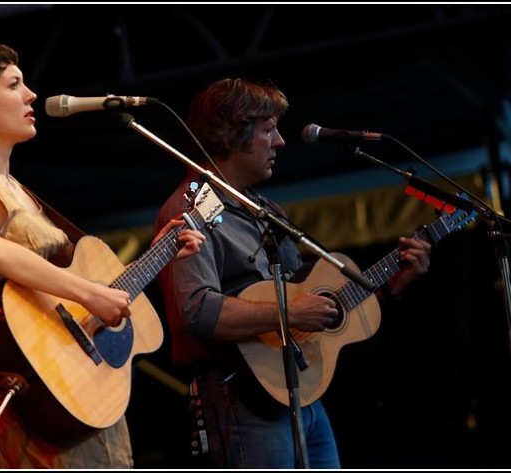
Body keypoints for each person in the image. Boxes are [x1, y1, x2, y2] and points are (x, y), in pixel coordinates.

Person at [0, 39, 206, 469]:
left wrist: (157, 256)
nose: (31, 94)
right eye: (14, 84)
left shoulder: (19, 190)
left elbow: (62, 297)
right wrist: (91, 295)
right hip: (33, 379)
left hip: (77, 379)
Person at [153, 78, 432, 468]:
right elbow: (196, 311)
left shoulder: (266, 210)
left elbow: (307, 293)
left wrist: (387, 287)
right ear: (232, 135)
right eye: (269, 130)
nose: (281, 142)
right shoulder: (187, 212)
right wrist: (290, 313)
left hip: (300, 392)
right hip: (241, 399)